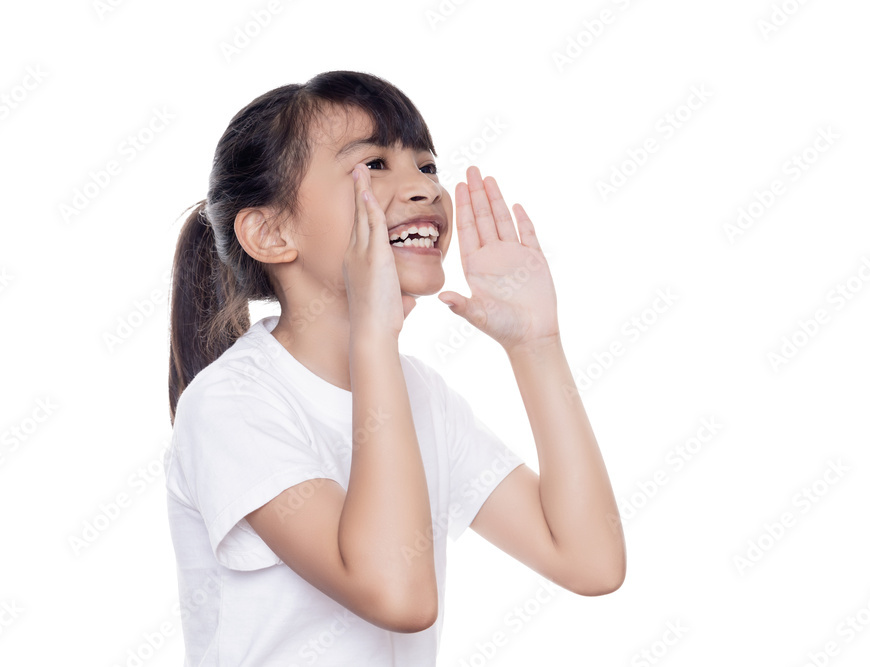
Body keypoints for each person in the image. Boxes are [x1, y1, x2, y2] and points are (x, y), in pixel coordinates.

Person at [164, 69, 626, 666]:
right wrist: (375, 335)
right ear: (271, 231)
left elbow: (589, 560)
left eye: (427, 167)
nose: (423, 189)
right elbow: (397, 594)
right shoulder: (231, 405)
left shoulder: (422, 395)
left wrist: (536, 345)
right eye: (374, 165)